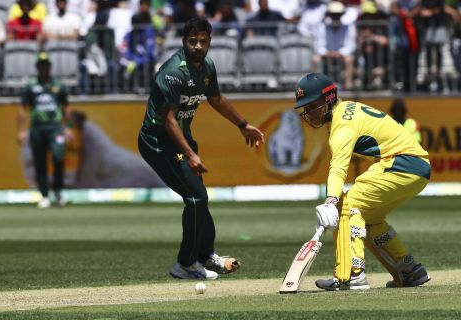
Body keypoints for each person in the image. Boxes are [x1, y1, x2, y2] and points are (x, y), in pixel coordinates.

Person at [138, 17, 264, 280]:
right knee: (196, 198)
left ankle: (205, 256)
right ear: (184, 42)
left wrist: (243, 125)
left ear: (209, 42)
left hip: (180, 140)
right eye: (192, 41)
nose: (197, 46)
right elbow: (169, 120)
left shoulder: (206, 66)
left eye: (202, 41)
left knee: (199, 198)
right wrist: (192, 154)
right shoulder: (173, 72)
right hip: (157, 142)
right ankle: (185, 264)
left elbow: (215, 98)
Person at [293, 73, 431, 290]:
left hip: (404, 163)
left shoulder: (342, 123)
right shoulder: (346, 111)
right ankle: (410, 270)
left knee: (349, 205)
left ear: (329, 99)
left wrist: (330, 201)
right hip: (416, 167)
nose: (308, 113)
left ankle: (352, 274)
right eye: (305, 108)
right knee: (370, 219)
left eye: (313, 106)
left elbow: (338, 167)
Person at [17, 52, 72, 209]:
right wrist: (20, 130)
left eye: (46, 65)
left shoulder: (58, 85)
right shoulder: (31, 86)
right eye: (41, 65)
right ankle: (44, 195)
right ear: (37, 67)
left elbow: (66, 107)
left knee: (58, 157)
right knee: (40, 162)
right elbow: (22, 108)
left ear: (50, 67)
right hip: (37, 128)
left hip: (55, 128)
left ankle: (59, 192)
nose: (43, 68)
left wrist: (67, 128)